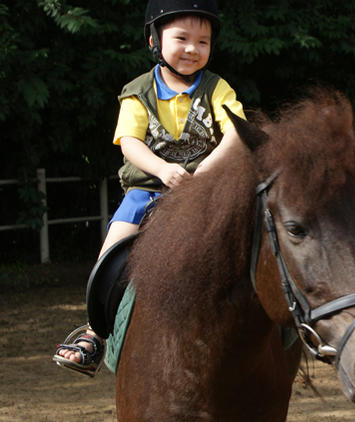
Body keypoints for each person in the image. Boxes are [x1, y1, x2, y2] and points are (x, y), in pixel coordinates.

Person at [53, 0, 246, 377]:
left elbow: (237, 130)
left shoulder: (217, 88)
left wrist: (206, 170)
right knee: (111, 255)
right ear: (154, 41)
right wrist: (163, 169)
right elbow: (130, 143)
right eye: (182, 38)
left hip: (204, 190)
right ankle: (94, 335)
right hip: (147, 193)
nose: (193, 48)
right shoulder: (137, 91)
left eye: (203, 42)